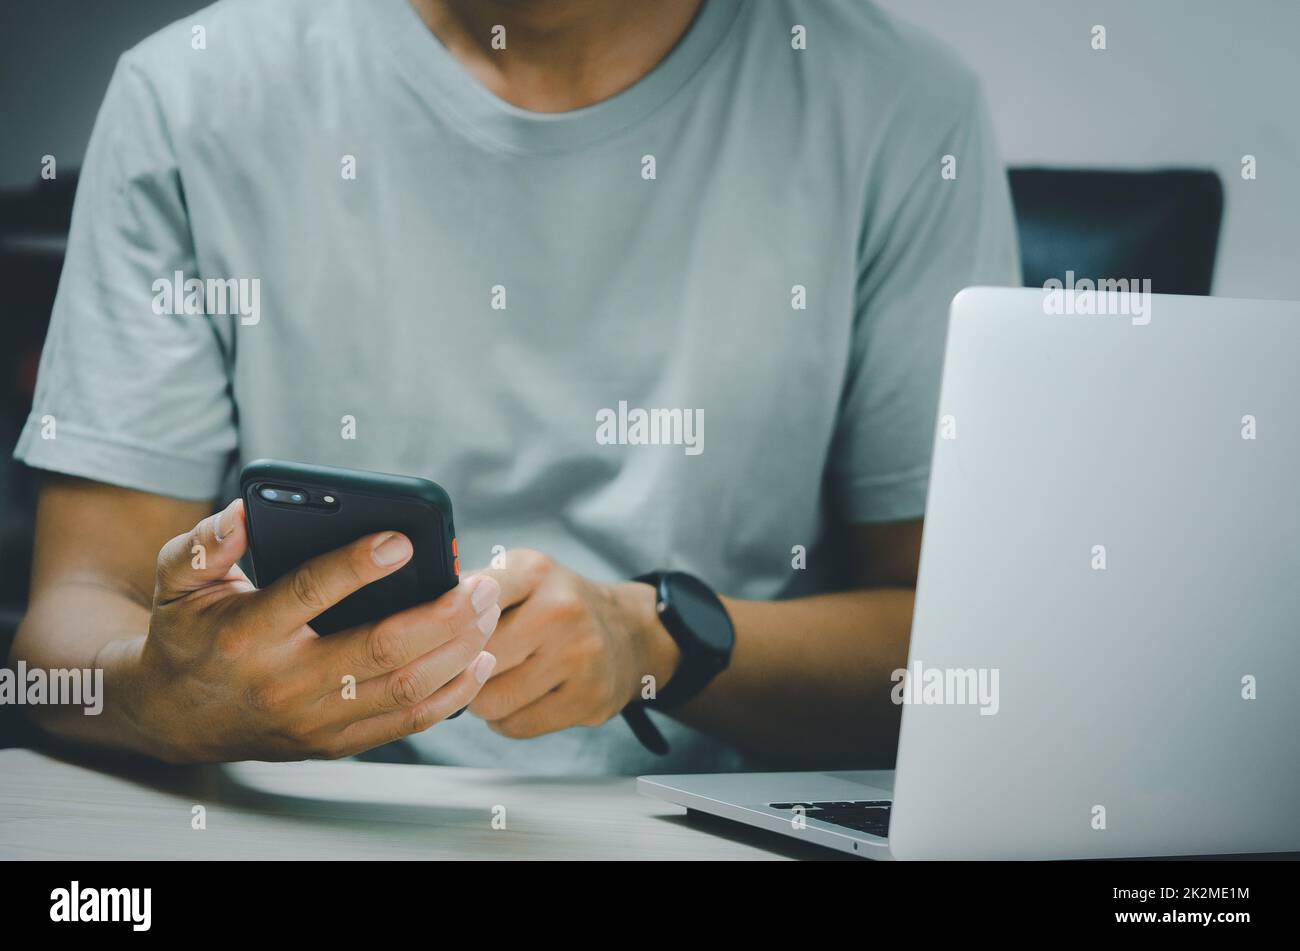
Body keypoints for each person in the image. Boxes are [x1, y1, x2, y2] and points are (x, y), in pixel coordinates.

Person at [11, 0, 1020, 774]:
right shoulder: (193, 93)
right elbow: (64, 621)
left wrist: (654, 640)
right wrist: (171, 697)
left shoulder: (898, 107)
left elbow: (962, 656)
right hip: (306, 816)